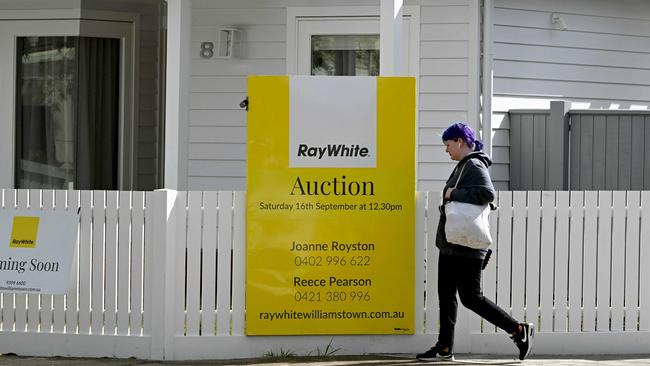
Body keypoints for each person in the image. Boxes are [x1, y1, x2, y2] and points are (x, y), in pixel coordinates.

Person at [416, 122, 534, 362]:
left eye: (448, 145)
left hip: (466, 245)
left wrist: (452, 194)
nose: (446, 150)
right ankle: (444, 347)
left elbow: (488, 194)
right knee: (446, 296)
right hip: (453, 243)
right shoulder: (464, 165)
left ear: (460, 141)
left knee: (471, 298)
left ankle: (518, 330)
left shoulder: (473, 163)